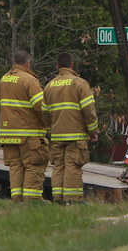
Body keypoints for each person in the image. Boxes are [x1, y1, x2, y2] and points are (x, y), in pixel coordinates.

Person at [42, 53, 99, 204]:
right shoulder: (80, 84)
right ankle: (73, 200)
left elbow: (44, 113)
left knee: (59, 166)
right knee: (73, 165)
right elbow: (89, 111)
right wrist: (93, 132)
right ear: (72, 65)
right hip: (76, 135)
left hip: (57, 136)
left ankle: (58, 199)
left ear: (57, 66)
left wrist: (51, 129)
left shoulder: (49, 86)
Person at [0, 50, 48, 202]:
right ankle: (32, 200)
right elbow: (41, 105)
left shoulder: (2, 80)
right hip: (28, 133)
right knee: (34, 165)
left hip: (8, 135)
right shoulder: (29, 80)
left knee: (15, 166)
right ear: (28, 63)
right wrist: (47, 123)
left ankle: (16, 198)